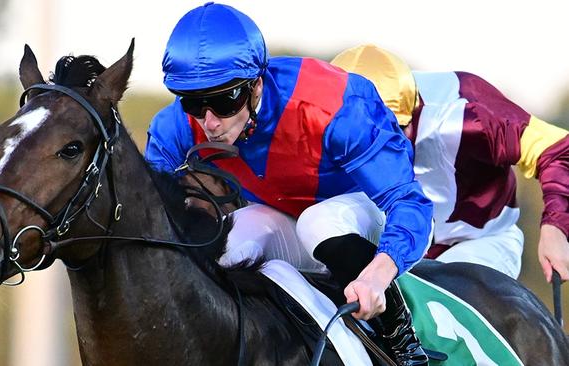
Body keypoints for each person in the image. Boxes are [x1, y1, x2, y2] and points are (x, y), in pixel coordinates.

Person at [145, 3, 433, 365]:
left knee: (319, 222)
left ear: (256, 85)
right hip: (287, 219)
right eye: (194, 102)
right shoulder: (175, 127)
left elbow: (411, 203)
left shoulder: (333, 105)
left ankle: (403, 344)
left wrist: (376, 276)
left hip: (362, 211)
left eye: (223, 101)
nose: (210, 122)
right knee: (233, 242)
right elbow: (151, 218)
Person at [331, 44, 569, 283]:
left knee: (438, 300)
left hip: (478, 241)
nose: (383, 150)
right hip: (388, 239)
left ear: (411, 113)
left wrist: (555, 227)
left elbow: (558, 149)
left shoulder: (470, 113)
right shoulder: (314, 118)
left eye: (395, 132)